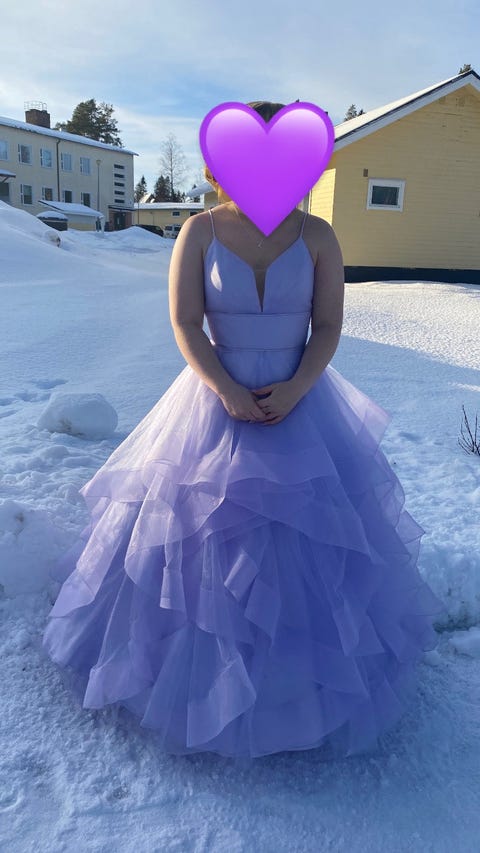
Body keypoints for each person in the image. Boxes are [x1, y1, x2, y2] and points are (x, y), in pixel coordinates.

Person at [41, 100, 446, 762]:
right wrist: (225, 388)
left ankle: (296, 696)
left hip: (300, 402)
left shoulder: (319, 236)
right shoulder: (198, 231)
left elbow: (328, 326)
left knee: (309, 552)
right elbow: (185, 322)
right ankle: (198, 686)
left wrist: (297, 386)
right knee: (196, 544)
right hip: (212, 400)